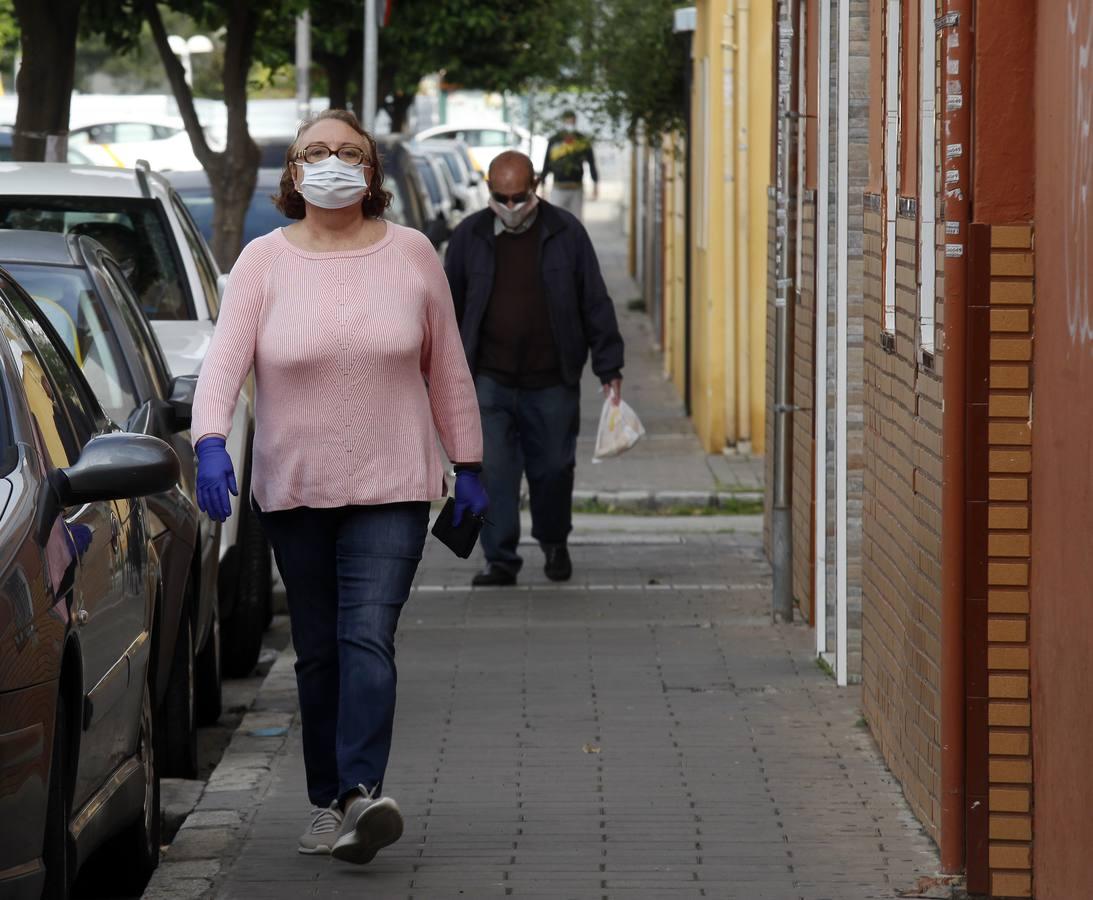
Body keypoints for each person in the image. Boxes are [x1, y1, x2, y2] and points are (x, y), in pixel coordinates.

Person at [190, 109, 487, 865]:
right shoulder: (262, 261)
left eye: (348, 152)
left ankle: (359, 792)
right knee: (318, 652)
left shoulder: (414, 254)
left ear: (371, 172)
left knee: (366, 638)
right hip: (295, 488)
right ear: (292, 172)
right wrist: (212, 442)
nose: (331, 163)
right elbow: (223, 362)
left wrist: (472, 462)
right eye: (315, 152)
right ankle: (328, 801)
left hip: (393, 483)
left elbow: (445, 367)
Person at [444, 150, 623, 587]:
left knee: (553, 470)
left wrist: (609, 366)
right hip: (489, 379)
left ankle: (554, 542)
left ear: (535, 186)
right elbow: (448, 309)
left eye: (517, 196)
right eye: (499, 197)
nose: (509, 206)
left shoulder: (566, 233)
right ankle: (500, 558)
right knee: (496, 473)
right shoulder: (469, 236)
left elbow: (593, 300)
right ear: (488, 191)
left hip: (552, 379)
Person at [540, 110, 599, 219]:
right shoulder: (555, 140)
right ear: (563, 121)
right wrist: (542, 184)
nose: (570, 124)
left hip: (576, 188)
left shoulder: (582, 141)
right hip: (558, 187)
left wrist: (595, 184)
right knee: (556, 221)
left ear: (575, 121)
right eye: (568, 121)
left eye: (572, 121)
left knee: (576, 221)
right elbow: (547, 163)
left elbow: (591, 162)